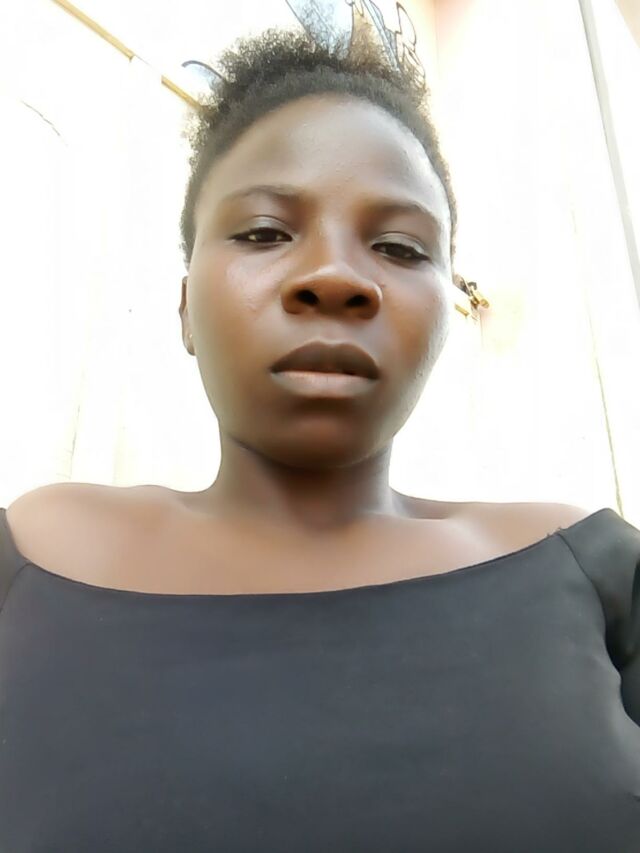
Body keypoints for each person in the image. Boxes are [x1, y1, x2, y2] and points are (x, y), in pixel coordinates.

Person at [1, 26, 639, 853]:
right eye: (264, 232)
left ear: (447, 312)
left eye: (400, 247)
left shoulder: (590, 568)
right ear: (185, 307)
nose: (335, 276)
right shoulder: (29, 555)